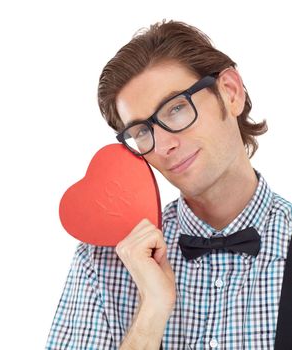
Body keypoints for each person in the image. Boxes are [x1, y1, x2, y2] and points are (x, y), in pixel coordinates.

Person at [46, 20, 292, 349]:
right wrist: (151, 312)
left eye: (175, 109)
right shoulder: (102, 263)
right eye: (142, 132)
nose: (162, 146)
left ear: (230, 92)